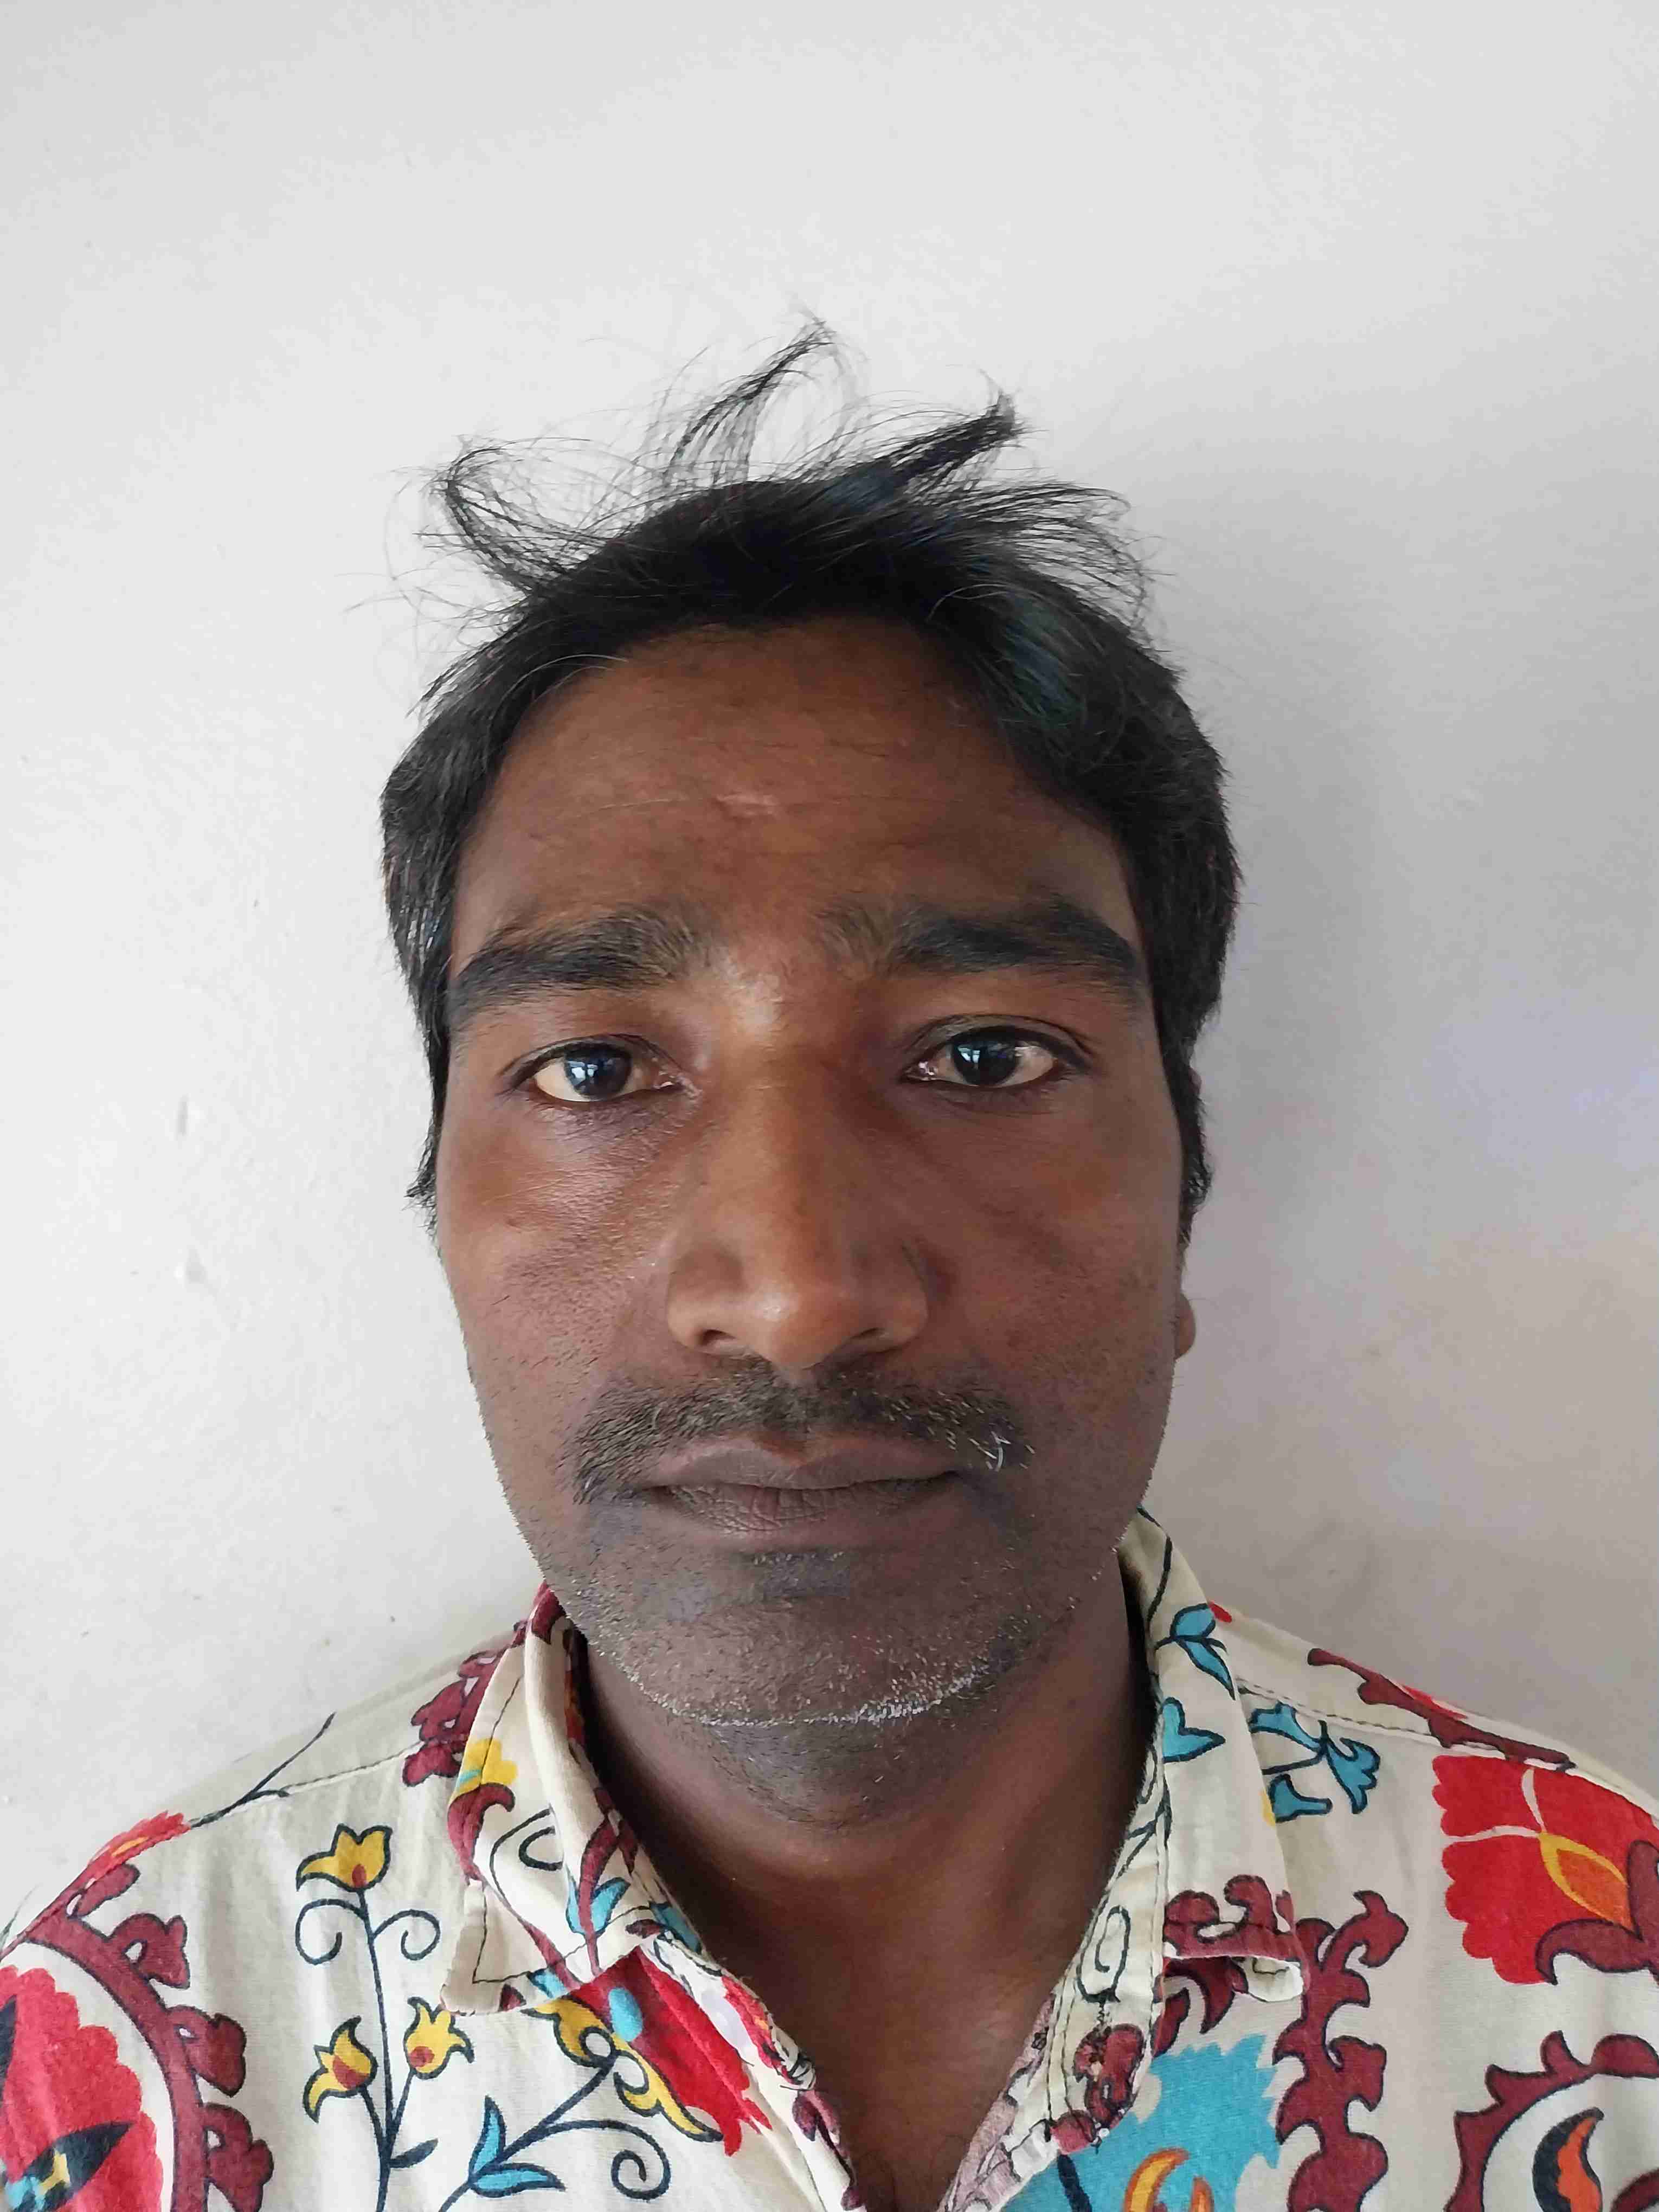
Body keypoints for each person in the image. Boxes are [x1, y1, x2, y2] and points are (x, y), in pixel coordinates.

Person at [4, 329, 1654, 2212]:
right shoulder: (134, 2046)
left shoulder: (1606, 1985)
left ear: (1187, 1192)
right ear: (440, 1207)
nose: (792, 1292)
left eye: (982, 1055)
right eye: (596, 1071)